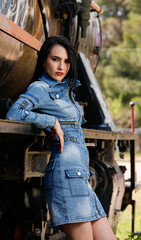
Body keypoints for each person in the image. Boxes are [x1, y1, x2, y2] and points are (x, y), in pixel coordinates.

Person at [6, 36, 117, 240]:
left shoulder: (65, 90)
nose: (61, 66)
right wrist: (50, 121)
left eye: (66, 61)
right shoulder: (40, 88)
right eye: (55, 59)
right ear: (44, 61)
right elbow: (14, 113)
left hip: (80, 176)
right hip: (65, 178)